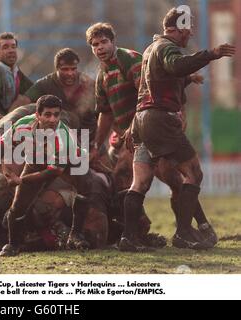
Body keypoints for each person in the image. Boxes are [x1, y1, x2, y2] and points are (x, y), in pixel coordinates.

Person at [86, 22, 217, 251]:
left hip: (146, 129)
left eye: (104, 42)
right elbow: (106, 114)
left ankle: (188, 229)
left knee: (166, 179)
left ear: (113, 41)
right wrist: (97, 144)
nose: (100, 48)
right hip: (135, 134)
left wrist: (180, 108)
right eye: (95, 45)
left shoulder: (130, 59)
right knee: (143, 180)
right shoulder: (102, 75)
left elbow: (148, 91)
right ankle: (140, 233)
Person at [126, 7, 235, 250]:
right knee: (194, 173)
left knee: (140, 182)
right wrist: (211, 54)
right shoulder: (167, 47)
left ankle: (128, 237)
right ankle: (184, 233)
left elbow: (163, 78)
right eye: (187, 28)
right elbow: (175, 65)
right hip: (160, 120)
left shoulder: (150, 49)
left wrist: (188, 79)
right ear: (176, 29)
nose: (191, 33)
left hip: (142, 120)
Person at [0, 95, 89, 257]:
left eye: (56, 114)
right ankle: (13, 245)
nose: (53, 119)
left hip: (72, 162)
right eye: (47, 114)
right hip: (37, 159)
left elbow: (52, 172)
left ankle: (76, 233)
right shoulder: (23, 124)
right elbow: (3, 143)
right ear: (37, 115)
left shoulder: (64, 138)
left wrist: (20, 180)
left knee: (84, 188)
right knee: (19, 204)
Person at [11, 48, 97, 139]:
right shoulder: (46, 83)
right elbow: (23, 100)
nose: (70, 73)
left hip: (87, 134)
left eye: (73, 69)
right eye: (65, 69)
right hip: (56, 134)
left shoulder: (88, 84)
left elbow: (104, 112)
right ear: (57, 69)